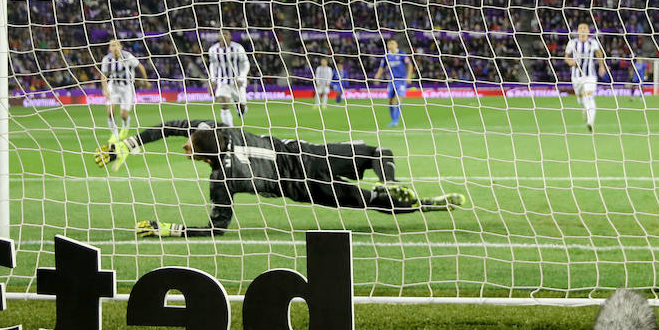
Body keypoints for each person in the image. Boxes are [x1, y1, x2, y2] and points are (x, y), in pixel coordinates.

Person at [94, 120, 465, 237]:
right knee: (375, 155)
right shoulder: (222, 128)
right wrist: (128, 144)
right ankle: (397, 186)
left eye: (189, 146)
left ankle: (413, 200)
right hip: (305, 155)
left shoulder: (222, 180)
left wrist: (168, 229)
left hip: (300, 188)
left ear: (203, 154)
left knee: (364, 203)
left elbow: (217, 229)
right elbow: (174, 127)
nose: (185, 146)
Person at [99, 38, 148, 142]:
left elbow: (140, 66)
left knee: (123, 114)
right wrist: (106, 90)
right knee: (110, 112)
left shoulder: (127, 56)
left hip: (127, 88)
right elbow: (103, 76)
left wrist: (146, 81)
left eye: (116, 45)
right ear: (109, 48)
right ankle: (115, 134)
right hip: (114, 86)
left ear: (121, 46)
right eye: (112, 46)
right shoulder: (107, 59)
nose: (115, 48)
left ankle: (125, 124)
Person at [564, 22, 607, 132]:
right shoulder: (572, 43)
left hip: (590, 75)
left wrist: (602, 66)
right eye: (580, 28)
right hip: (576, 76)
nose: (582, 30)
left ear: (588, 31)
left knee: (589, 96)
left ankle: (590, 122)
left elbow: (599, 53)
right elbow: (566, 56)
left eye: (585, 28)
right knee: (580, 100)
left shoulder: (593, 42)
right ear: (578, 31)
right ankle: (585, 109)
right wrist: (569, 62)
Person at [206, 29, 249, 127]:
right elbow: (213, 65)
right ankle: (229, 129)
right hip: (223, 81)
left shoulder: (238, 48)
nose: (224, 36)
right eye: (222, 34)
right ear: (219, 37)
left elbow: (245, 63)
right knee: (223, 103)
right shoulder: (213, 50)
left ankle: (241, 108)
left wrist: (241, 77)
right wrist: (212, 80)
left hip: (237, 82)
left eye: (226, 34)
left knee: (241, 108)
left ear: (230, 36)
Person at [374, 39, 414, 127]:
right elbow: (382, 67)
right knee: (390, 101)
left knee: (398, 99)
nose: (391, 45)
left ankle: (396, 120)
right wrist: (377, 76)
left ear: (396, 45)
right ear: (388, 46)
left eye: (393, 43)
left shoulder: (402, 54)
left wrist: (409, 77)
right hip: (391, 80)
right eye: (389, 44)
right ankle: (393, 120)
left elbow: (410, 65)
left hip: (401, 80)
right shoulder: (387, 56)